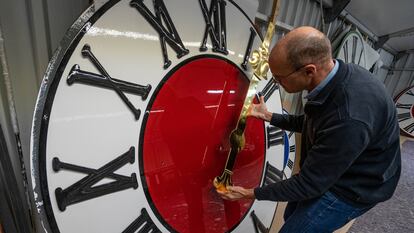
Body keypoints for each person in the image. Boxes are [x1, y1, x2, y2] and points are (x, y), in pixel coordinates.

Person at [217, 26, 401, 232]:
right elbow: (317, 124)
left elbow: (309, 184)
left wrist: (249, 193)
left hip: (354, 188)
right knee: (291, 214)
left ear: (309, 70)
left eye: (279, 78)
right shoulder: (337, 79)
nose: (277, 82)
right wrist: (269, 116)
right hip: (337, 168)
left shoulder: (349, 117)